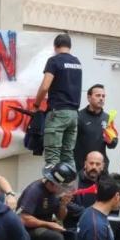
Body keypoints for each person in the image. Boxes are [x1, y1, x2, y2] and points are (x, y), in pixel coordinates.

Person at [31, 33, 83, 167]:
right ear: (70, 46)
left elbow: (45, 87)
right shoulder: (77, 62)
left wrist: (36, 105)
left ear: (55, 46)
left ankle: (52, 180)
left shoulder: (54, 61)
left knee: (52, 157)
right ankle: (70, 180)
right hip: (74, 115)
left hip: (58, 113)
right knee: (68, 156)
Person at [73, 84, 118, 171]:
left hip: (101, 168)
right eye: (98, 95)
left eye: (103, 96)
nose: (101, 98)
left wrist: (111, 141)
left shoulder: (107, 118)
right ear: (89, 98)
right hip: (82, 168)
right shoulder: (78, 116)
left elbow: (113, 144)